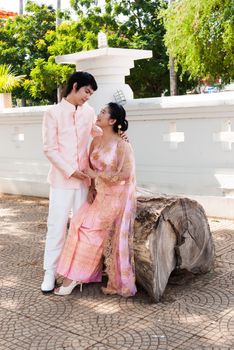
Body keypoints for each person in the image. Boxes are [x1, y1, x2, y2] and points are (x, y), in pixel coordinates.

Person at [54, 102, 137, 297]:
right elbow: (92, 169)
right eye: (99, 111)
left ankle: (74, 277)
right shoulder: (96, 141)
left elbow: (126, 174)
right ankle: (74, 274)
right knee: (77, 224)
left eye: (103, 112)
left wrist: (96, 176)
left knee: (91, 233)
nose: (98, 115)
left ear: (113, 120)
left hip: (115, 198)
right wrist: (92, 187)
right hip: (99, 195)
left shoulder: (122, 145)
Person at [41, 71, 103, 292]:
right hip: (61, 180)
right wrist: (70, 171)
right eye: (87, 91)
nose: (88, 97)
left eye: (91, 94)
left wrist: (119, 132)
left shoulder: (89, 112)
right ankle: (50, 272)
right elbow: (49, 149)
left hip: (84, 181)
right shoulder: (53, 113)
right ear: (75, 86)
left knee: (80, 229)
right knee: (56, 226)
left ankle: (75, 274)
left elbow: (99, 132)